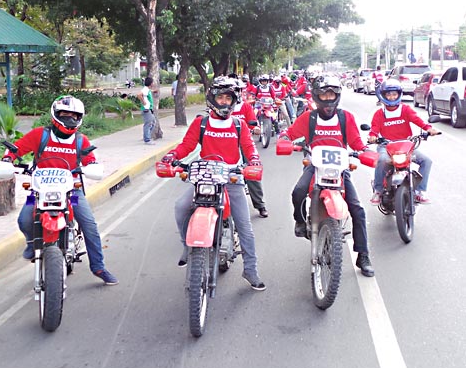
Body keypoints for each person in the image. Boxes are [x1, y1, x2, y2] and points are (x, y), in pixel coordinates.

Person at [160, 76, 266, 291]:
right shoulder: (201, 122)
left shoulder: (239, 124)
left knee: (245, 226)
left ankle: (250, 269)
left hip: (231, 177)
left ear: (234, 101)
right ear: (212, 99)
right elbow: (187, 145)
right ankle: (187, 246)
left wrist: (254, 161)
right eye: (220, 97)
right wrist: (172, 156)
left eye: (229, 98)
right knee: (181, 207)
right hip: (204, 177)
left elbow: (249, 148)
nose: (224, 102)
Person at [2, 95, 118, 285]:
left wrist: (92, 167)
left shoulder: (81, 141)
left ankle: (99, 267)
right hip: (38, 191)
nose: (69, 118)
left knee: (89, 224)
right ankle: (31, 243)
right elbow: (16, 149)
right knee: (24, 219)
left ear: (80, 118)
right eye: (64, 114)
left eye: (74, 115)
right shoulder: (40, 135)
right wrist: (7, 159)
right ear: (55, 114)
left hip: (72, 192)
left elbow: (91, 160)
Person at [278, 76, 375, 277]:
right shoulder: (309, 118)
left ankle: (363, 255)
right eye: (324, 94)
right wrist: (285, 140)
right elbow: (290, 133)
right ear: (316, 96)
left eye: (331, 94)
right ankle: (300, 220)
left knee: (357, 209)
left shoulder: (345, 118)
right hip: (315, 166)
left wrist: (364, 150)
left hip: (340, 170)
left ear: (337, 96)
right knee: (298, 192)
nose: (328, 99)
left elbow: (357, 143)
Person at [368, 79, 440, 205]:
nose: (392, 97)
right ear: (383, 95)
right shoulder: (379, 114)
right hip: (386, 146)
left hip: (406, 146)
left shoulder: (405, 109)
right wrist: (372, 137)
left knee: (426, 161)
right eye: (388, 94)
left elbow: (418, 120)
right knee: (382, 160)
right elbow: (374, 130)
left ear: (399, 94)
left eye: (394, 94)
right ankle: (378, 191)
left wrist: (429, 129)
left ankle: (420, 192)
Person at [231, 80, 269, 218]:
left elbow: (253, 123)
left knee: (251, 171)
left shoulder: (245, 107)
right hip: (225, 144)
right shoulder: (218, 108)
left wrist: (255, 128)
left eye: (238, 90)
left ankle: (260, 205)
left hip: (243, 143)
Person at [137, 76, 156, 145]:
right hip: (146, 109)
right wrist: (143, 101)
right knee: (148, 124)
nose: (153, 84)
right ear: (150, 83)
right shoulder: (145, 89)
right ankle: (147, 139)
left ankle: (147, 136)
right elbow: (139, 94)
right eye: (152, 82)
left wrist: (154, 91)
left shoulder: (147, 90)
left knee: (153, 122)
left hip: (149, 109)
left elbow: (147, 93)